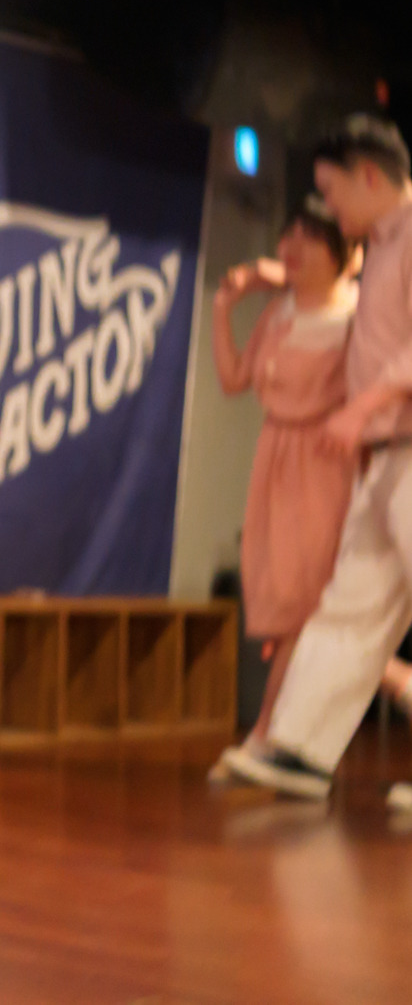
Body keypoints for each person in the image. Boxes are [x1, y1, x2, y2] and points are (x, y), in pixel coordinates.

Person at [230, 115, 412, 810]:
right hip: (386, 454)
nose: (329, 208)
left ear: (368, 175)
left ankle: (296, 745)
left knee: (351, 604)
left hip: (402, 439)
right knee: (349, 604)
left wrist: (363, 407)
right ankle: (299, 748)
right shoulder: (382, 245)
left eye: (332, 193)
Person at [204, 194, 368, 780]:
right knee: (285, 609)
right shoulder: (279, 312)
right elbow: (233, 378)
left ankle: (266, 736)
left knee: (307, 608)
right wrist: (223, 308)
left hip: (326, 468)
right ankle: (277, 740)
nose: (292, 246)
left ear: (344, 252)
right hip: (273, 464)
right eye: (289, 234)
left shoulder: (357, 317)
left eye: (311, 237)